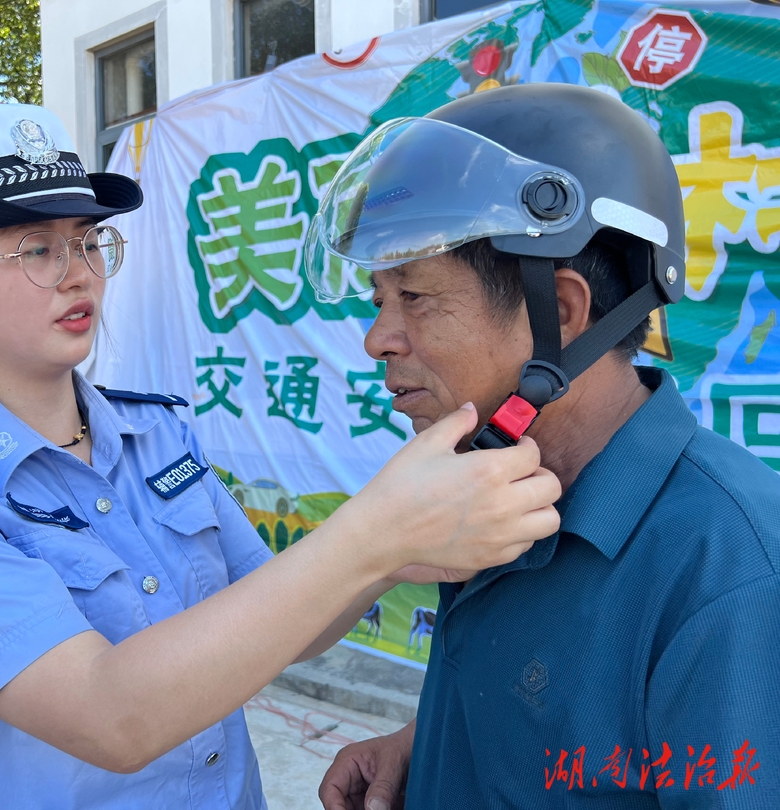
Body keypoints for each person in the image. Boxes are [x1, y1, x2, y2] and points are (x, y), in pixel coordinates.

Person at [0, 102, 561, 810]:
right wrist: (373, 534)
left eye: (88, 241)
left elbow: (281, 618)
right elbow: (110, 717)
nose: (79, 273)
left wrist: (396, 558)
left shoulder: (156, 434)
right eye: (35, 250)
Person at [310, 83, 780, 810]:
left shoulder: (731, 572)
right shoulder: (493, 493)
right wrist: (430, 747)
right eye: (378, 300)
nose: (378, 340)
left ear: (558, 316)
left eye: (415, 297)